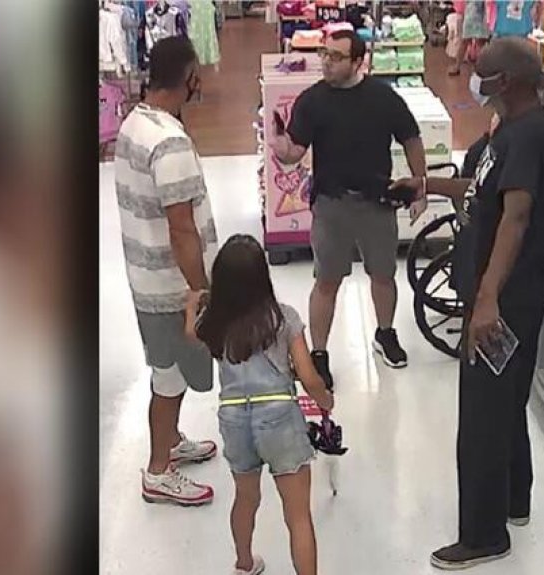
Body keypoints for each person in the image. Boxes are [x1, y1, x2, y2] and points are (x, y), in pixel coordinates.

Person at [394, 37, 544, 569]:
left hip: (506, 300)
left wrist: (487, 298)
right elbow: (480, 191)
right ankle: (514, 500)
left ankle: (484, 535)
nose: (470, 72)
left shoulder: (532, 135)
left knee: (484, 416)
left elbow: (515, 217)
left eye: (480, 70)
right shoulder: (509, 133)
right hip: (502, 294)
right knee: (506, 405)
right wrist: (424, 183)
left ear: (506, 82)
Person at [269, 29, 429, 386]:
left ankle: (385, 334)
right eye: (325, 54)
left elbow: (411, 138)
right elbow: (295, 152)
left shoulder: (383, 98)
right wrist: (282, 149)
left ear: (359, 61)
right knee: (327, 280)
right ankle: (320, 353)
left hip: (377, 201)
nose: (327, 61)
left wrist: (421, 185)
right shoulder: (312, 101)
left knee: (383, 274)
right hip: (331, 203)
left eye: (337, 56)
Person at [185, 234, 335, 575]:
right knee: (297, 515)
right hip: (279, 416)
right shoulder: (283, 318)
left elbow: (191, 334)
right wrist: (325, 400)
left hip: (234, 417)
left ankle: (244, 562)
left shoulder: (215, 322)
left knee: (245, 497)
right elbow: (309, 378)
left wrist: (192, 306)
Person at [113, 36, 220, 506]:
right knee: (169, 377)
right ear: (189, 77)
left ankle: (172, 441)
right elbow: (182, 229)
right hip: (173, 287)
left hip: (145, 273)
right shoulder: (170, 141)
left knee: (165, 368)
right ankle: (158, 470)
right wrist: (201, 291)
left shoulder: (135, 122)